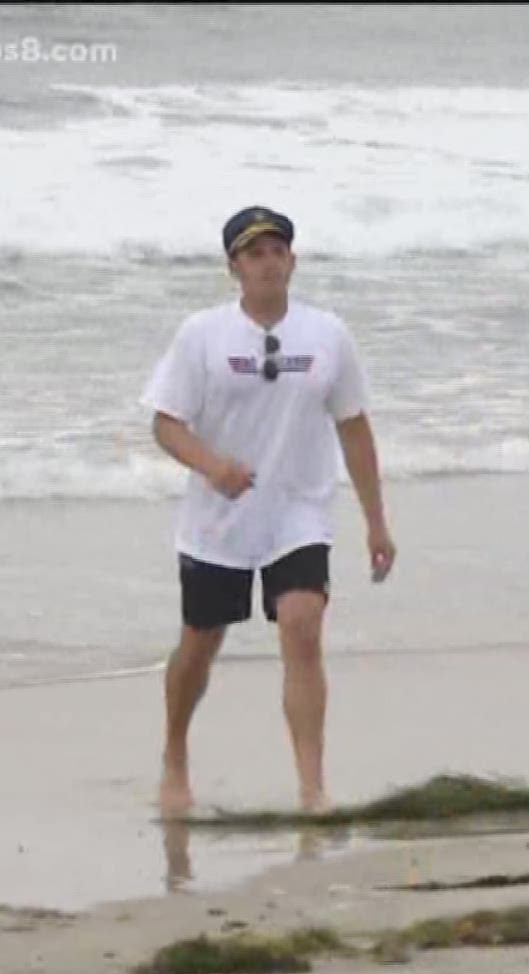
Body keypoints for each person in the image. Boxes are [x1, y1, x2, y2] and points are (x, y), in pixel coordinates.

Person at [139, 206, 397, 821]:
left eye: (278, 250)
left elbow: (355, 428)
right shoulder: (201, 334)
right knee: (199, 646)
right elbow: (165, 424)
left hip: (298, 511)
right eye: (254, 253)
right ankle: (175, 757)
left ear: (293, 261)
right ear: (234, 267)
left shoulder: (327, 334)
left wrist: (376, 522)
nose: (269, 262)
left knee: (302, 626)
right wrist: (213, 466)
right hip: (218, 518)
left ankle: (312, 788)